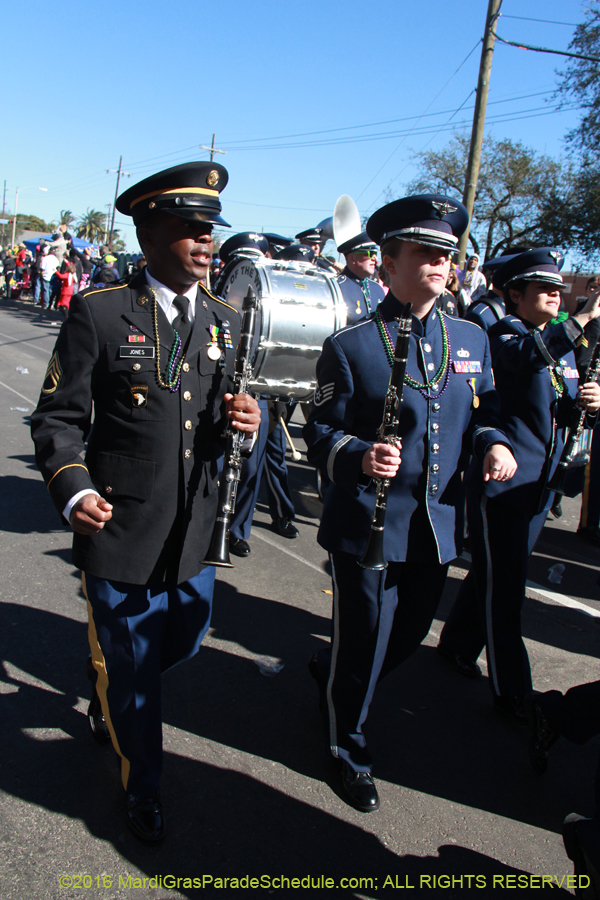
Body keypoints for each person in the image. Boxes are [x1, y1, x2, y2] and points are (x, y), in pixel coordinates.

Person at [30, 161, 260, 844]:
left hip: (194, 531)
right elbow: (57, 419)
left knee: (184, 639)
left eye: (211, 228)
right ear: (149, 231)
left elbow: (223, 419)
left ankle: (111, 684)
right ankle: (144, 787)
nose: (205, 240)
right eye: (190, 227)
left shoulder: (225, 319)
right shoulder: (99, 312)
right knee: (136, 676)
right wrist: (74, 489)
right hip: (122, 525)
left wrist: (249, 416)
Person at [303, 194, 515, 812]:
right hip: (367, 523)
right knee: (367, 637)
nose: (439, 263)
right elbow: (319, 429)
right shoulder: (350, 345)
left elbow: (485, 412)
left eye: (446, 254)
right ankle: (348, 744)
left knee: (410, 631)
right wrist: (358, 455)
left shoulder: (472, 336)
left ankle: (338, 674)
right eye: (424, 252)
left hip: (437, 525)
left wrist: (494, 443)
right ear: (388, 263)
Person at [438, 249, 600, 719]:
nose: (556, 293)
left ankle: (456, 645)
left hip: (541, 485)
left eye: (557, 288)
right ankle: (514, 690)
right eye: (543, 288)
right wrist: (584, 316)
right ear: (515, 294)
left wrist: (588, 401)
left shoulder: (559, 344)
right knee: (507, 587)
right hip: (504, 482)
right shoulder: (504, 334)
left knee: (495, 573)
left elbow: (556, 406)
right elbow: (528, 359)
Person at [335, 231, 385, 323]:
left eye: (375, 253)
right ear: (352, 258)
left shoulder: (377, 289)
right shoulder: (337, 287)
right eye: (370, 253)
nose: (375, 259)